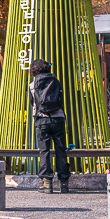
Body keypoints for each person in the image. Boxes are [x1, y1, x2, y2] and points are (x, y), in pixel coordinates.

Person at [29, 59, 70, 194]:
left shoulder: (32, 84)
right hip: (58, 118)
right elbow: (61, 100)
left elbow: (32, 102)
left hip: (41, 119)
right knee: (60, 149)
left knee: (44, 151)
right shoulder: (56, 81)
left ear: (34, 70)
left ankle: (47, 183)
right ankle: (64, 183)